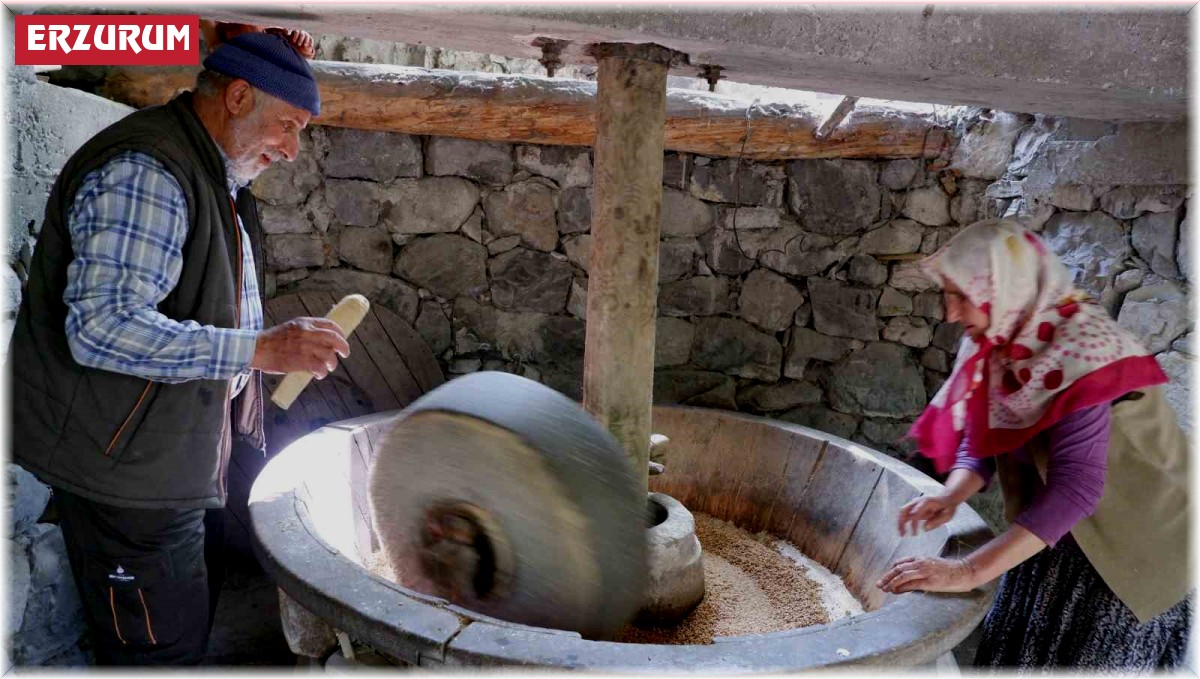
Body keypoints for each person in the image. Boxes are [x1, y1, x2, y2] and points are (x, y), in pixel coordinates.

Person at [8, 33, 350, 665]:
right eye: (288, 126)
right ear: (238, 97)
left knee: (182, 626)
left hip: (172, 455)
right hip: (127, 474)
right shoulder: (149, 171)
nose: (291, 149)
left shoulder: (210, 166)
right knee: (154, 653)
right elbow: (104, 327)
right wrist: (256, 350)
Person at [876, 219, 1190, 670]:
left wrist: (968, 571)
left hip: (1133, 542)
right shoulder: (1003, 338)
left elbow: (1075, 488)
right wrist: (955, 491)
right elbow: (986, 431)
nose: (950, 313)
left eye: (961, 296)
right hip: (1057, 530)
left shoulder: (1083, 351)